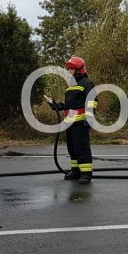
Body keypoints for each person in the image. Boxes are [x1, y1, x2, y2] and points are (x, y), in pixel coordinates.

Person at [51, 56, 96, 184]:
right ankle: (76, 171)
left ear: (78, 70)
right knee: (73, 148)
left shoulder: (86, 84)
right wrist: (58, 106)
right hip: (70, 123)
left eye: (71, 69)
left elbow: (92, 101)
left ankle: (86, 174)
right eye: (68, 69)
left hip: (81, 123)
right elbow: (70, 104)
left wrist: (90, 118)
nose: (68, 71)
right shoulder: (70, 86)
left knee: (82, 148)